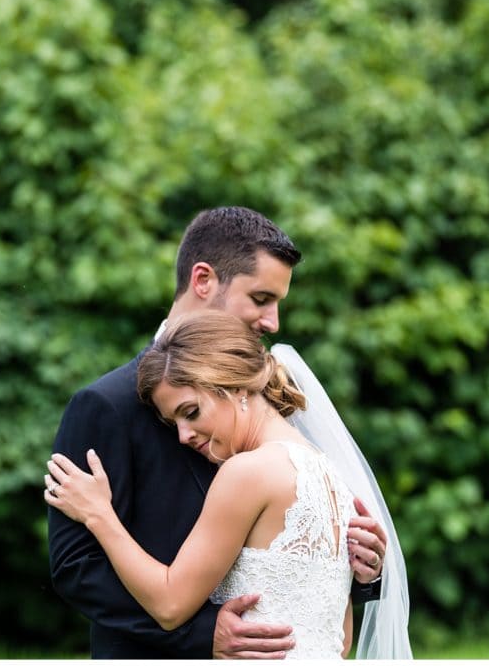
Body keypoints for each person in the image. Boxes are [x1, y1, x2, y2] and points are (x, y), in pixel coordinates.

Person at [47, 206, 388, 659]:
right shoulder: (107, 404)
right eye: (262, 298)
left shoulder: (266, 402)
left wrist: (358, 568)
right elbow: (76, 567)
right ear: (203, 280)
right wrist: (203, 633)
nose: (273, 323)